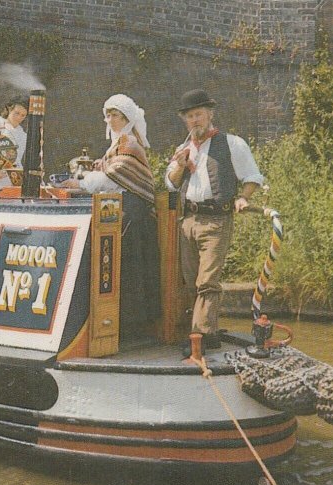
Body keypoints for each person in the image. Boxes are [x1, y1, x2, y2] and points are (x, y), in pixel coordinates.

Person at [165, 89, 264, 347]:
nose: (194, 120)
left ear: (210, 115)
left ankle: (203, 337)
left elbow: (252, 176)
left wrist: (244, 197)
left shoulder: (232, 143)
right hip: (188, 221)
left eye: (198, 114)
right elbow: (171, 184)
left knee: (207, 281)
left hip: (216, 221)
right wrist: (180, 165)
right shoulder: (182, 149)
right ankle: (203, 330)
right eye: (189, 117)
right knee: (190, 281)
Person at [61, 94, 159, 344]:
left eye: (116, 115)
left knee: (128, 269)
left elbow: (114, 177)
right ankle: (123, 325)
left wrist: (81, 182)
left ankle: (128, 327)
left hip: (132, 216)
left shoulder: (129, 143)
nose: (110, 119)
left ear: (126, 118)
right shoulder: (117, 144)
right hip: (121, 212)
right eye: (108, 115)